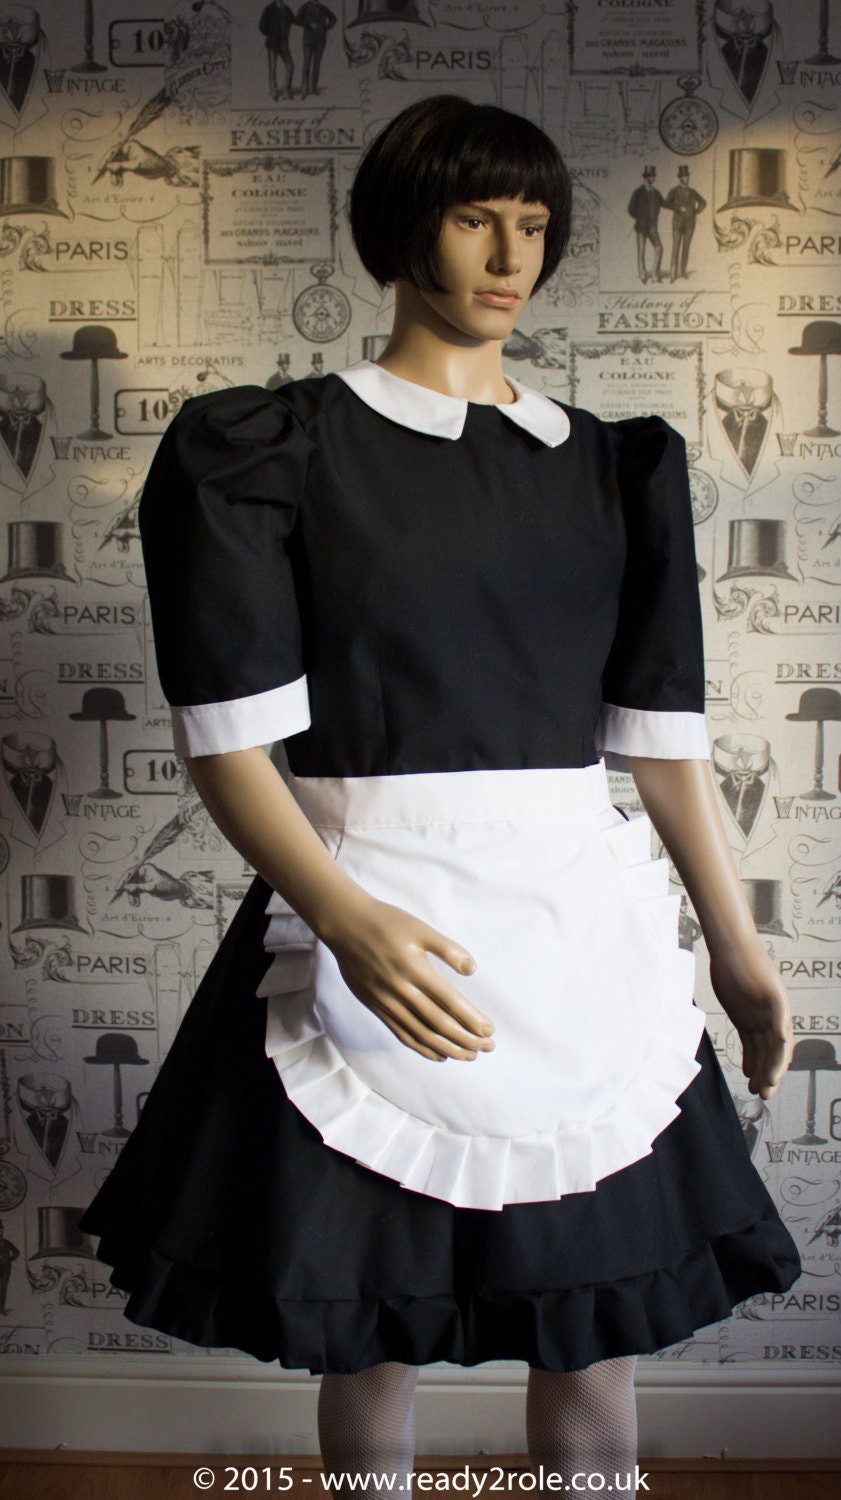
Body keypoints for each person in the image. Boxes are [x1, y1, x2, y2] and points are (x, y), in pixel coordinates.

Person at [79, 95, 800, 1493]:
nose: (510, 255)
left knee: (595, 1330)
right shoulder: (275, 451)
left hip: (578, 939)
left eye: (533, 224)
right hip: (369, 915)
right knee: (369, 1333)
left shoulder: (615, 468)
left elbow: (661, 746)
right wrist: (342, 919)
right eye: (476, 218)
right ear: (400, 229)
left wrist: (739, 949)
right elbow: (227, 745)